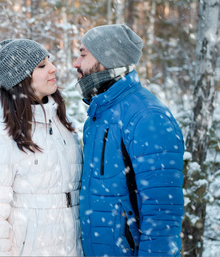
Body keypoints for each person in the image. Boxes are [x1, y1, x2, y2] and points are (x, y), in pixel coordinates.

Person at [73, 24, 184, 256]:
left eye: (83, 54)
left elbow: (162, 213)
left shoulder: (147, 115)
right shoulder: (99, 114)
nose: (76, 63)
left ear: (106, 58)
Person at [0, 39, 83, 256]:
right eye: (42, 66)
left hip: (73, 245)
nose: (53, 68)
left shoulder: (64, 124)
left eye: (49, 62)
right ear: (22, 79)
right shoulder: (1, 136)